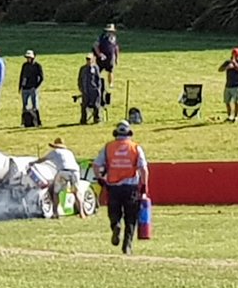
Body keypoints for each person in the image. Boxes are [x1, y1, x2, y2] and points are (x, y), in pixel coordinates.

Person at [93, 120, 149, 255]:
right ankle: (127, 246)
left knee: (114, 212)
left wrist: (101, 178)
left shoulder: (108, 147)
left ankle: (115, 226)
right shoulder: (135, 148)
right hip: (131, 188)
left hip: (113, 187)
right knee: (131, 217)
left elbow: (96, 165)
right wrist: (144, 186)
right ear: (129, 133)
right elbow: (143, 169)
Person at [31, 138, 85, 219]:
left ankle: (55, 213)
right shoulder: (69, 152)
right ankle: (82, 213)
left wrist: (33, 162)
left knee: (56, 192)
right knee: (76, 192)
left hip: (63, 172)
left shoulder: (55, 152)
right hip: (75, 172)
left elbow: (42, 159)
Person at [219, 47, 238, 123]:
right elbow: (220, 69)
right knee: (227, 101)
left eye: (236, 54)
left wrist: (234, 63)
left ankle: (236, 116)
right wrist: (227, 67)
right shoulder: (227, 62)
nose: (234, 56)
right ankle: (229, 116)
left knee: (236, 102)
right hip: (228, 85)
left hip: (237, 85)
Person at [19, 49, 44, 127]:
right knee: (24, 106)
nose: (28, 59)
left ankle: (37, 121)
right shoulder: (25, 65)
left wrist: (36, 86)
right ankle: (24, 122)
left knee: (35, 106)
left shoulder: (37, 66)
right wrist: (20, 86)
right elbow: (22, 76)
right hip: (25, 88)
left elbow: (41, 77)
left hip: (33, 88)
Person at [78, 53, 102, 125]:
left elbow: (98, 79)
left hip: (94, 90)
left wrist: (98, 89)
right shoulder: (82, 68)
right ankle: (83, 120)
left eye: (89, 59)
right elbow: (80, 79)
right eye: (87, 59)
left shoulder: (95, 68)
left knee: (96, 105)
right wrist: (80, 87)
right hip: (85, 90)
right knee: (84, 106)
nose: (88, 61)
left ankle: (97, 118)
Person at [94, 24, 120, 88]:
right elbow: (95, 46)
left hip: (110, 57)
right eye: (109, 31)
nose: (110, 32)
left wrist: (117, 57)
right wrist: (99, 54)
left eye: (111, 31)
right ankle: (95, 82)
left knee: (110, 70)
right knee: (98, 71)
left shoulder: (114, 38)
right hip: (101, 57)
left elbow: (116, 47)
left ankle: (110, 83)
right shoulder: (101, 37)